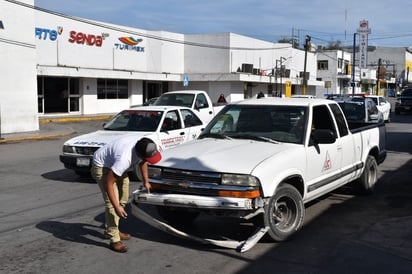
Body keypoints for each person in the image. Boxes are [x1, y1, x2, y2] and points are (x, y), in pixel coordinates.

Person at [91, 136, 161, 253]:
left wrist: (146, 181)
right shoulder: (124, 159)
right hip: (102, 167)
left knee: (123, 198)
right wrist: (117, 207)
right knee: (112, 205)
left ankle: (111, 229)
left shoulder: (145, 145)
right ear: (138, 154)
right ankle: (114, 238)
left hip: (114, 164)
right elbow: (109, 184)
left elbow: (143, 161)